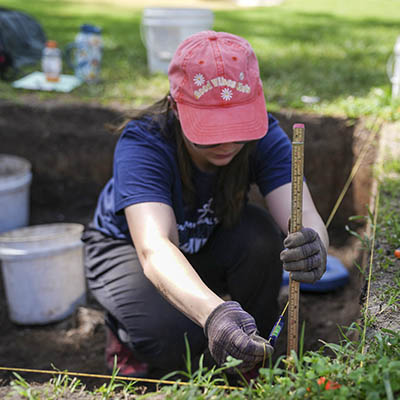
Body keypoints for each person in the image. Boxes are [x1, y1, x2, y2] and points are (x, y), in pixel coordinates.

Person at [81, 30, 329, 378]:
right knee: (176, 342)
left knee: (260, 236)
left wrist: (315, 245)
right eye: (212, 128)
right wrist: (215, 316)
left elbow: (305, 219)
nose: (228, 141)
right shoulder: (144, 143)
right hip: (129, 252)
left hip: (207, 236)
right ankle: (126, 332)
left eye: (237, 125)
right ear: (175, 106)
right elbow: (155, 248)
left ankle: (251, 348)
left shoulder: (266, 138)